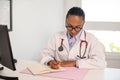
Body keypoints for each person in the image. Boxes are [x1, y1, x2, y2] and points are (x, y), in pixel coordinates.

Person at [39, 7, 106, 69]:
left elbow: (100, 62)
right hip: (58, 73)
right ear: (65, 22)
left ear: (83, 24)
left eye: (77, 27)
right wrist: (50, 62)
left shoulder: (91, 39)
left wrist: (75, 63)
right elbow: (45, 54)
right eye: (69, 26)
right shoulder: (57, 36)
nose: (73, 31)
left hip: (80, 76)